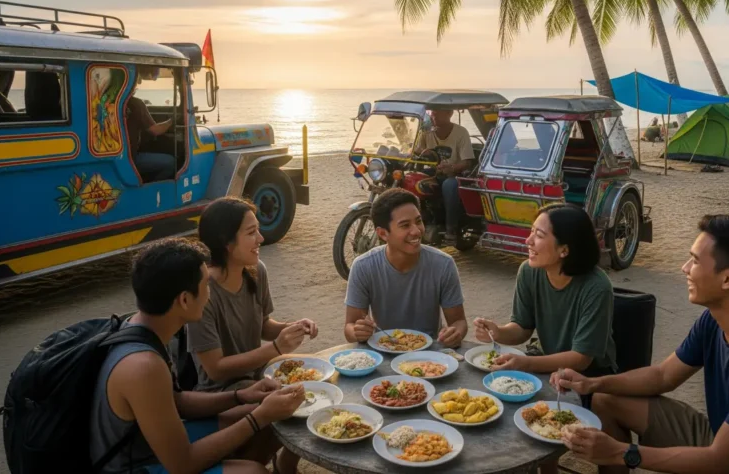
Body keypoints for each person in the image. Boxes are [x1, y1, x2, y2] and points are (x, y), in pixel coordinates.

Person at [553, 215, 729, 474]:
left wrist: (621, 452)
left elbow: (720, 462)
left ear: (728, 279)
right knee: (605, 399)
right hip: (718, 438)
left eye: (695, 260)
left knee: (620, 447)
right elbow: (663, 376)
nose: (685, 268)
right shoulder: (713, 322)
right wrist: (592, 383)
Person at [90, 238, 305, 474]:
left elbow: (177, 401)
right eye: (206, 285)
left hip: (149, 446)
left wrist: (241, 396)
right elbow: (183, 464)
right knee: (254, 470)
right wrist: (259, 417)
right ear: (184, 300)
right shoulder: (143, 366)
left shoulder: (147, 326)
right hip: (137, 465)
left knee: (267, 417)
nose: (210, 293)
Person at [187, 198, 313, 474]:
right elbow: (215, 369)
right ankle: (252, 465)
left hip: (258, 379)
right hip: (220, 392)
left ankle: (284, 464)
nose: (261, 238)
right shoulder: (204, 292)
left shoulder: (256, 271)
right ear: (226, 242)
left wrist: (292, 328)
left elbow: (263, 325)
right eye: (251, 232)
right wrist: (276, 348)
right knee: (286, 406)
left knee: (308, 388)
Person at [473, 203, 616, 376]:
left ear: (564, 250)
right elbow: (522, 327)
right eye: (531, 231)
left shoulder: (597, 287)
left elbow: (581, 359)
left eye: (539, 235)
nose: (528, 241)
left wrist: (526, 364)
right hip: (546, 365)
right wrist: (498, 332)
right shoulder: (529, 271)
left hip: (589, 378)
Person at [344, 188, 468, 347]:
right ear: (383, 234)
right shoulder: (363, 267)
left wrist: (455, 333)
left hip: (431, 353)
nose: (416, 231)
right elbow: (350, 327)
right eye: (405, 225)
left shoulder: (443, 264)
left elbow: (458, 321)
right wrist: (358, 331)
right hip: (384, 349)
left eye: (418, 221)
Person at [415, 108, 474, 241]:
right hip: (433, 171)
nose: (433, 114)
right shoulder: (426, 131)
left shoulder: (461, 132)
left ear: (449, 113)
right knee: (412, 179)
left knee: (449, 185)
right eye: (432, 111)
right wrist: (423, 151)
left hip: (455, 174)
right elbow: (416, 149)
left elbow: (467, 162)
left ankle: (450, 228)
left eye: (437, 111)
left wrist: (451, 168)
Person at [126, 70, 175, 181]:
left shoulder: (111, 103)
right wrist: (172, 121)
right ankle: (150, 186)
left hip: (119, 158)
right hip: (131, 159)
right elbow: (155, 131)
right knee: (171, 162)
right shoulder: (136, 104)